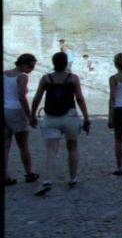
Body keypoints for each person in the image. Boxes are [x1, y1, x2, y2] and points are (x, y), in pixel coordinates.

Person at [30, 51, 90, 196]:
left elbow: (37, 97)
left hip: (51, 117)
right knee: (72, 147)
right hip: (69, 116)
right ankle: (73, 177)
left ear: (53, 63)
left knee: (51, 150)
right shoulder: (73, 78)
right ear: (65, 63)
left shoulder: (46, 79)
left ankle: (48, 180)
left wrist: (32, 114)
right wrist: (86, 117)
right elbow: (80, 99)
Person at [4, 54, 39, 186]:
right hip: (16, 111)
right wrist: (29, 115)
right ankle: (29, 173)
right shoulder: (22, 77)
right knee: (23, 145)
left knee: (6, 145)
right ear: (23, 64)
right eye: (31, 66)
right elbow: (21, 97)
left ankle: (5, 175)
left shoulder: (5, 73)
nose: (32, 69)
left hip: (5, 109)